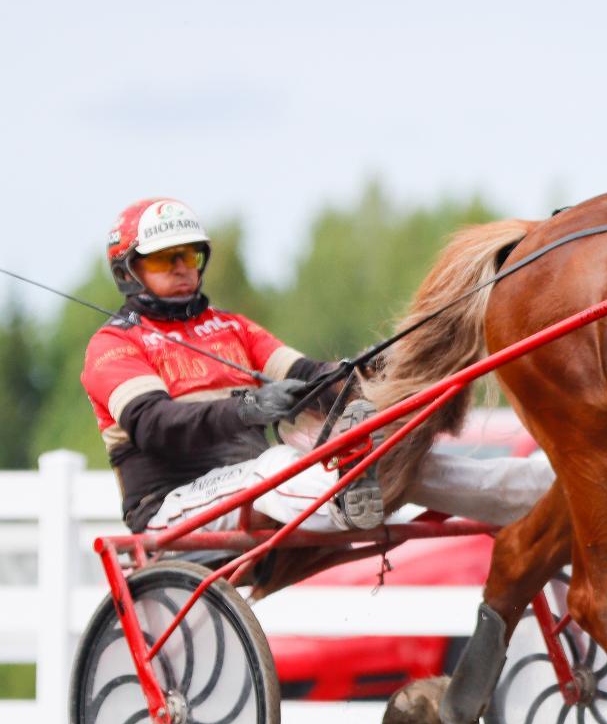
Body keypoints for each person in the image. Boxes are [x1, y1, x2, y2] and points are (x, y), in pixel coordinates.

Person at [81, 197, 551, 538]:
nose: (184, 267)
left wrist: (376, 371)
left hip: (255, 487)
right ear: (128, 270)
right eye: (167, 258)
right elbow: (156, 426)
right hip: (171, 504)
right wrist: (249, 409)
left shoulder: (232, 327)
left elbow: (309, 376)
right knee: (278, 467)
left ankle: (539, 492)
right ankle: (349, 499)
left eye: (192, 255)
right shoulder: (114, 345)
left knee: (399, 463)